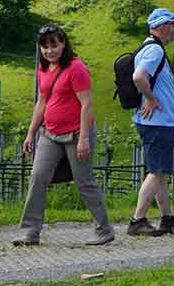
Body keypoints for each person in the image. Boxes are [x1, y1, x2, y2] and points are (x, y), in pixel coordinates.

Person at [13, 24, 115, 247]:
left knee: (84, 181)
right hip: (50, 134)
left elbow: (86, 104)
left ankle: (104, 229)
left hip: (77, 133)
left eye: (54, 45)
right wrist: (31, 133)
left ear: (63, 44)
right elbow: (42, 102)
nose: (50, 51)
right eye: (45, 46)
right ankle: (29, 232)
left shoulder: (76, 68)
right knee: (38, 177)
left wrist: (84, 138)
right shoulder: (43, 69)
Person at [127, 7, 174, 237]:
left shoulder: (149, 47)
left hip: (154, 121)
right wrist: (152, 99)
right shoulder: (155, 50)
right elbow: (138, 77)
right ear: (163, 26)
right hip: (157, 121)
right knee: (156, 171)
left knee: (160, 171)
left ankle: (167, 218)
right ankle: (138, 220)